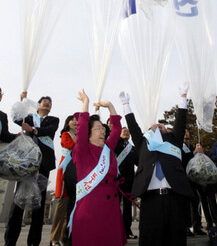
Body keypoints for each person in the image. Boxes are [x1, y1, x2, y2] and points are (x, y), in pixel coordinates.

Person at [120, 83, 194, 246]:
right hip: (150, 198)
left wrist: (183, 97)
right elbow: (133, 127)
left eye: (161, 126)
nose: (158, 126)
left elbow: (180, 122)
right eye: (153, 126)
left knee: (176, 238)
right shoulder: (143, 143)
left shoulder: (174, 140)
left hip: (175, 196)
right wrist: (126, 105)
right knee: (150, 239)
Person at [70, 89, 126, 246]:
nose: (103, 131)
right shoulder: (82, 151)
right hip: (90, 209)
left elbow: (116, 129)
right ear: (88, 133)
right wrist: (86, 103)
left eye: (103, 128)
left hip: (111, 209)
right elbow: (80, 129)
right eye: (98, 128)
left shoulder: (107, 148)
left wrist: (110, 107)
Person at [5, 92, 59, 246]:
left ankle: (34, 242)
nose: (47, 104)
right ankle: (10, 240)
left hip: (43, 164)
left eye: (49, 103)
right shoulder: (29, 117)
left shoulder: (53, 120)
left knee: (38, 205)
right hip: (26, 162)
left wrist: (33, 130)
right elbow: (16, 119)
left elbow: (49, 130)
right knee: (18, 202)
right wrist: (22, 101)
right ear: (38, 104)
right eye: (44, 102)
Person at [50, 115, 78, 246]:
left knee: (71, 204)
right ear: (67, 123)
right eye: (71, 120)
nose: (74, 122)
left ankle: (64, 236)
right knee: (63, 203)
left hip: (76, 170)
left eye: (77, 121)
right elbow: (71, 146)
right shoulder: (65, 134)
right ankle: (54, 238)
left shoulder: (81, 136)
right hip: (66, 169)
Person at [182, 130, 207, 236]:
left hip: (194, 178)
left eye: (187, 132)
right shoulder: (179, 146)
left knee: (196, 202)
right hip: (184, 178)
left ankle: (197, 226)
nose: (186, 134)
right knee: (186, 204)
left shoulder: (192, 146)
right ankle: (187, 226)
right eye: (184, 132)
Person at [115, 126, 138, 240]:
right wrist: (119, 138)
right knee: (116, 206)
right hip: (117, 180)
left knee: (128, 207)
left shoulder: (132, 148)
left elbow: (139, 161)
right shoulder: (116, 145)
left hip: (129, 181)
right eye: (123, 131)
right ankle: (115, 229)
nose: (126, 132)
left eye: (128, 131)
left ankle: (127, 229)